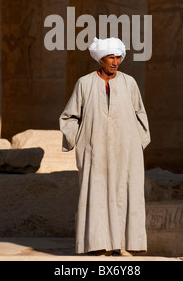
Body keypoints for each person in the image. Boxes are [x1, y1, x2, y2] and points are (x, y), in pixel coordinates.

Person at [59, 37, 150, 256]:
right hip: (95, 150)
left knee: (125, 194)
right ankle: (98, 245)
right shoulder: (85, 83)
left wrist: (137, 143)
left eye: (118, 57)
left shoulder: (129, 83)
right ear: (101, 59)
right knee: (97, 196)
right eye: (111, 57)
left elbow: (140, 115)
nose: (115, 62)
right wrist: (80, 141)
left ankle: (123, 245)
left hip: (126, 151)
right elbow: (69, 116)